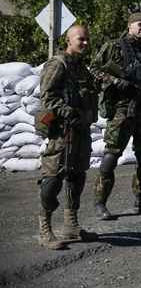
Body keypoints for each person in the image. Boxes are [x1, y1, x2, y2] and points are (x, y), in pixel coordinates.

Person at [91, 12, 141, 220]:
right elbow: (95, 69)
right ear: (130, 25)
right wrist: (115, 81)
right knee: (111, 155)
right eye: (140, 25)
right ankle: (100, 202)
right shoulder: (114, 46)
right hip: (122, 109)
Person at [36, 25, 99, 249]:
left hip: (80, 131)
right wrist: (67, 112)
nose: (85, 43)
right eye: (80, 39)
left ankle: (71, 225)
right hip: (62, 132)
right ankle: (45, 229)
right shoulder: (58, 64)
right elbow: (47, 97)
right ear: (68, 40)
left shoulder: (82, 68)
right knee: (53, 178)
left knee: (77, 176)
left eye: (87, 40)